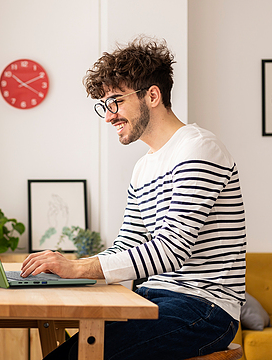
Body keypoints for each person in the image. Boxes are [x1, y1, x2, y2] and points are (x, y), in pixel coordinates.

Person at [20, 36, 246, 359]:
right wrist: (67, 269)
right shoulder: (143, 168)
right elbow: (127, 245)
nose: (109, 116)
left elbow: (171, 250)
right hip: (151, 298)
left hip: (204, 308)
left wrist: (79, 268)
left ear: (152, 95)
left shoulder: (198, 149)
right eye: (105, 106)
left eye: (116, 101)